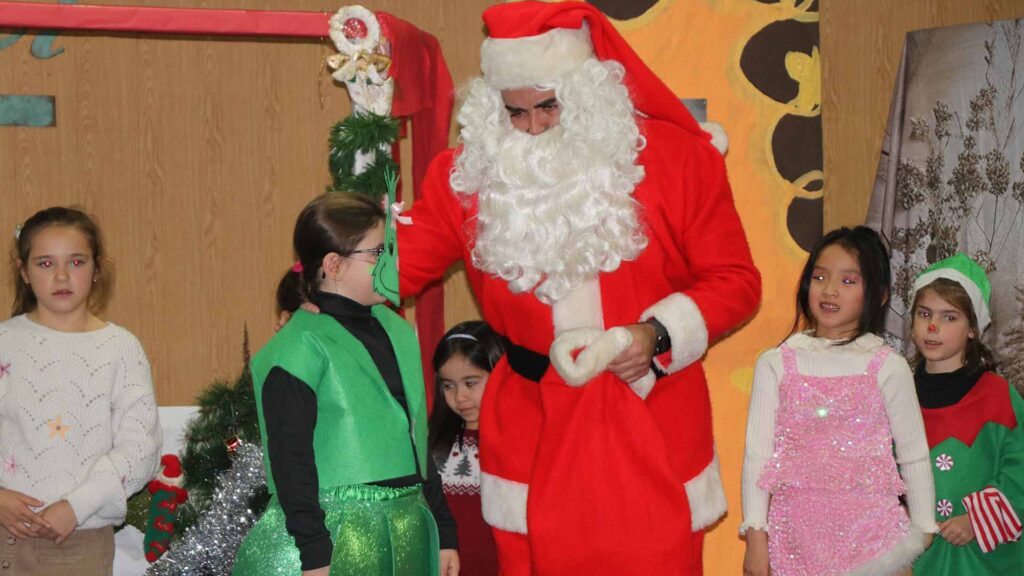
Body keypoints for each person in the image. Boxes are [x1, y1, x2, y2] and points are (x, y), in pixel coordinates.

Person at [396, 2, 761, 573]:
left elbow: (736, 282)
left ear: (586, 92)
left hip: (650, 414)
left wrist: (655, 333)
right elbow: (393, 267)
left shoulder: (678, 161)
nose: (534, 127)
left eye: (548, 106)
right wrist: (312, 289)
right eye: (514, 112)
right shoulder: (465, 177)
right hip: (531, 426)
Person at [233, 192, 459, 576]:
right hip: (333, 536)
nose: (393, 260)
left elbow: (414, 439)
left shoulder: (398, 332)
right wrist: (315, 554)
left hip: (406, 527)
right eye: (378, 252)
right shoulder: (299, 347)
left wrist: (445, 532)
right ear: (333, 265)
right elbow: (292, 461)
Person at [740, 226, 937, 576]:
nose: (829, 290)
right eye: (819, 276)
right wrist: (757, 537)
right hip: (794, 543)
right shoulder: (776, 363)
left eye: (848, 281)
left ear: (878, 296)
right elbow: (758, 456)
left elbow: (913, 454)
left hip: (877, 546)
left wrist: (916, 538)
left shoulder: (887, 366)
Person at [0, 207, 160, 576]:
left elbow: (141, 450)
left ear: (96, 268)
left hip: (78, 544)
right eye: (44, 264)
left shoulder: (120, 348)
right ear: (23, 271)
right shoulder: (6, 343)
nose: (61, 275)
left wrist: (75, 506)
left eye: (75, 261)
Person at [907, 254, 1024, 574]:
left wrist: (977, 519)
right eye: (925, 313)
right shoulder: (897, 395)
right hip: (918, 562)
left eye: (949, 317)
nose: (933, 326)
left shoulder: (997, 395)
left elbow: (1022, 469)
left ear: (973, 328)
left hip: (984, 561)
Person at [428, 321, 504, 576]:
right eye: (448, 385)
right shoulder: (433, 444)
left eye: (471, 383)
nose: (459, 396)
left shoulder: (519, 443)